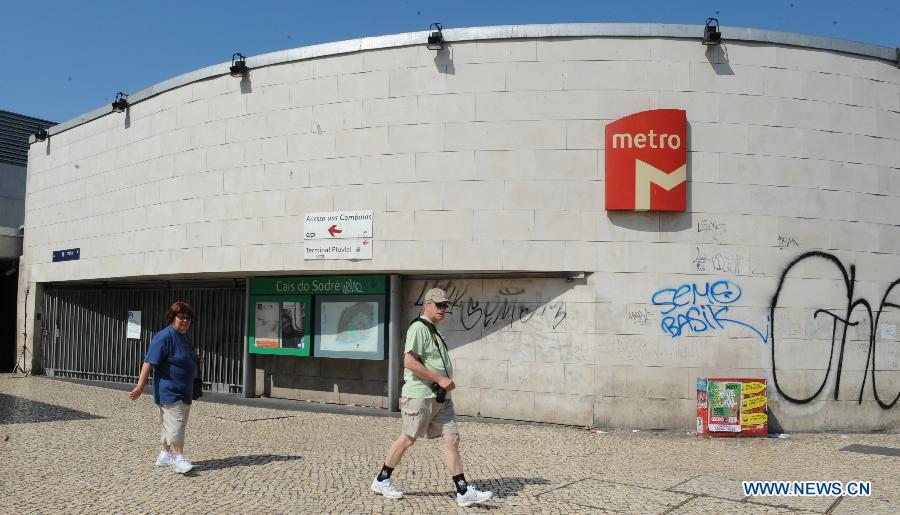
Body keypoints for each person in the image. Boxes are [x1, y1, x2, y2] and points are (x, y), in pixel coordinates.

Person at [370, 288, 493, 507]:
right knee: (408, 438)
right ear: (426, 305)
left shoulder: (434, 329)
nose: (443, 309)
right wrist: (439, 378)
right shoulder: (419, 328)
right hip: (420, 395)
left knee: (452, 439)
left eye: (445, 305)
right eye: (439, 305)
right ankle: (382, 479)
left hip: (439, 397)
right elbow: (409, 362)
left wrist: (442, 382)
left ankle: (463, 490)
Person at [128, 301, 201, 474]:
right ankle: (179, 459)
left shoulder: (185, 336)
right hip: (169, 390)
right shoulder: (164, 337)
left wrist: (196, 360)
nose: (185, 321)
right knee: (177, 423)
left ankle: (164, 454)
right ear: (172, 317)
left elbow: (183, 356)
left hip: (185, 389)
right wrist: (140, 386)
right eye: (181, 317)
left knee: (168, 424)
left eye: (188, 318)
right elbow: (149, 361)